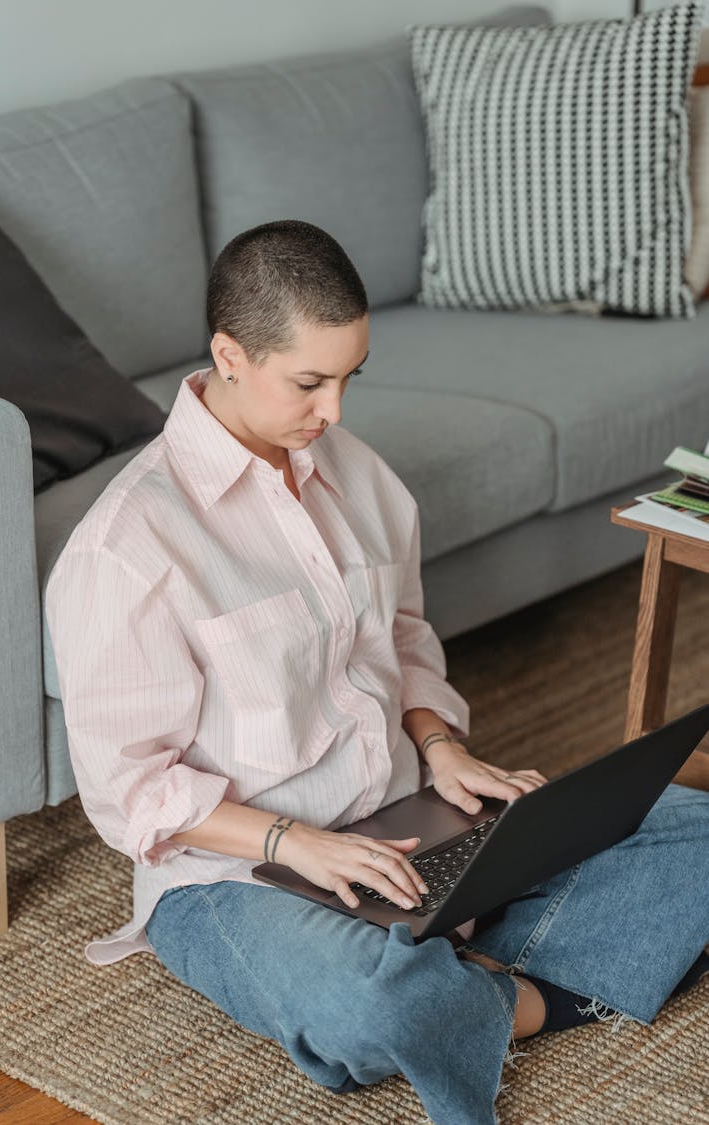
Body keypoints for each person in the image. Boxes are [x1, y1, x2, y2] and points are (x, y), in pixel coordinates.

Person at [46, 219, 709, 1125]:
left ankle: (459, 973)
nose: (336, 414)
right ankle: (528, 987)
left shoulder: (355, 474)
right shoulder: (127, 549)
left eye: (350, 377)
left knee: (687, 826)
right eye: (310, 383)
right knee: (368, 1002)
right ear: (230, 355)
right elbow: (132, 791)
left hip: (407, 825)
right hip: (238, 878)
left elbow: (398, 636)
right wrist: (297, 843)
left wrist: (440, 747)